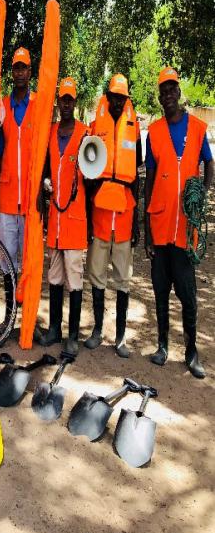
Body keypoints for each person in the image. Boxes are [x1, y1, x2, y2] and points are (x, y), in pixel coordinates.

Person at [145, 67, 213, 378]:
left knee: (187, 293)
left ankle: (191, 351)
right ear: (159, 97)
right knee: (160, 290)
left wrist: (203, 196)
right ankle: (161, 346)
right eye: (164, 90)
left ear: (179, 93)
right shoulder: (155, 132)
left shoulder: (198, 128)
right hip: (160, 227)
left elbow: (209, 163)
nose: (169, 94)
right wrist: (145, 232)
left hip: (186, 230)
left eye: (173, 88)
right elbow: (148, 184)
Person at [85, 74, 142, 358]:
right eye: (114, 97)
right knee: (96, 275)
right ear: (107, 97)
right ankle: (97, 330)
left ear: (126, 99)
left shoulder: (134, 128)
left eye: (122, 97)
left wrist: (138, 223)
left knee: (122, 278)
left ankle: (119, 337)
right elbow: (87, 170)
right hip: (99, 213)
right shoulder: (97, 125)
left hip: (124, 214)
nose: (117, 102)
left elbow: (137, 177)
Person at [40, 77, 89, 355]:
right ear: (58, 102)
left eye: (70, 99)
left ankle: (73, 336)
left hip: (75, 219)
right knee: (55, 276)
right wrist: (45, 182)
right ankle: (54, 330)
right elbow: (47, 166)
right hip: (56, 220)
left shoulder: (85, 133)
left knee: (75, 279)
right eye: (63, 99)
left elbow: (92, 176)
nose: (66, 103)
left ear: (75, 101)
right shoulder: (51, 132)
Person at [0, 47, 37, 325]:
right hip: (7, 197)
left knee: (29, 264)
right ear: (12, 72)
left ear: (30, 72)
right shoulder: (2, 105)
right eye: (16, 68)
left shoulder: (39, 103)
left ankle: (27, 318)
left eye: (24, 68)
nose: (20, 72)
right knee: (8, 261)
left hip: (31, 198)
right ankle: (9, 315)